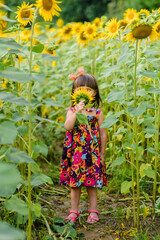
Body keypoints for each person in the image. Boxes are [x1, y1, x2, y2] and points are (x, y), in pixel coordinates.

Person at [59, 67, 107, 224]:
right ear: (74, 92)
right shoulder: (72, 110)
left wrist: (102, 153)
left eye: (89, 89)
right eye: (80, 89)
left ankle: (93, 210)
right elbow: (68, 126)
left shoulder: (97, 113)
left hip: (92, 154)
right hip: (76, 153)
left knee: (92, 183)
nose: (85, 92)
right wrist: (77, 112)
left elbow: (103, 134)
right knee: (75, 184)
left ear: (95, 92)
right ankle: (74, 210)